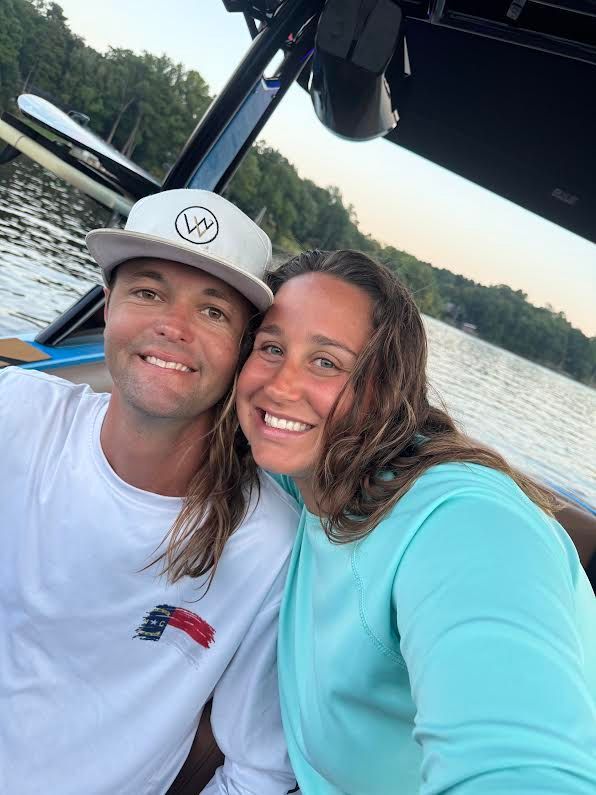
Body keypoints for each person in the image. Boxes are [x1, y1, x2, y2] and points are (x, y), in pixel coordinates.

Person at [236, 249, 596, 794]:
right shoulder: (304, 472)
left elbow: (522, 769)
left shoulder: (464, 523)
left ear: (383, 389)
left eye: (327, 362)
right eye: (272, 348)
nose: (281, 386)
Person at [0, 189, 300, 795]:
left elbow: (260, 769)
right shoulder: (18, 413)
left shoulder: (267, 544)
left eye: (212, 311)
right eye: (147, 292)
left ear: (244, 350)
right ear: (107, 304)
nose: (173, 326)